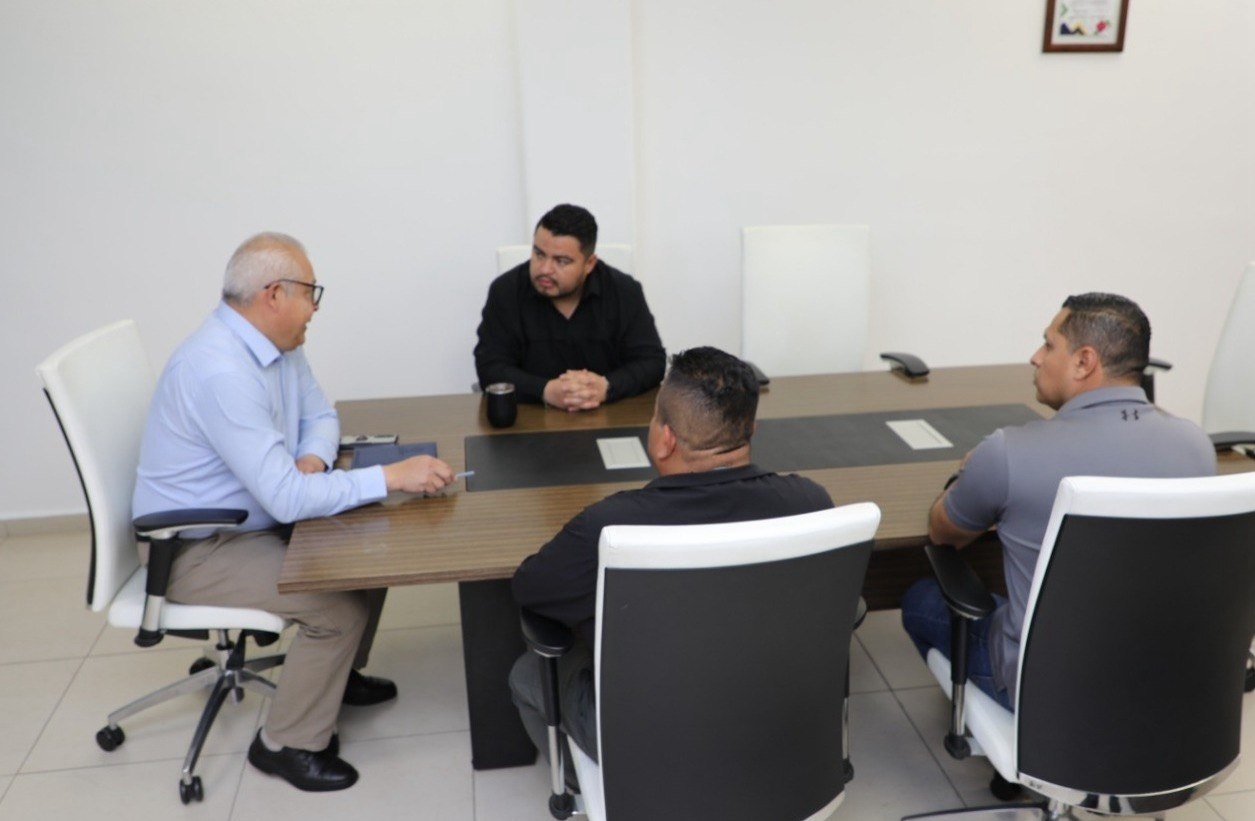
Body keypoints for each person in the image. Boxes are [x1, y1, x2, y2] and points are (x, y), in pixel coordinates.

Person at [133, 232, 455, 792]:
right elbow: (284, 498)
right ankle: (285, 744)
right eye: (311, 292)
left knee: (369, 544)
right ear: (274, 294)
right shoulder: (219, 370)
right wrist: (390, 477)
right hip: (194, 547)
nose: (316, 307)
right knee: (337, 608)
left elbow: (321, 416)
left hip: (252, 519)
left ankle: (333, 677)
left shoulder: (278, 345)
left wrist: (310, 460)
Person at [508, 346, 834, 761]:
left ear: (665, 440)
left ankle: (594, 786)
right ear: (750, 429)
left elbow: (531, 590)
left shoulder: (610, 528)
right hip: (773, 718)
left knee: (527, 673)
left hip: (652, 740)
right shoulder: (810, 504)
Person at [900, 293, 1215, 709]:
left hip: (1051, 693)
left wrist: (966, 474)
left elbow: (944, 534)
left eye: (1048, 345)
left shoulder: (1008, 453)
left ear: (1084, 362)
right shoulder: (1196, 447)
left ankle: (996, 722)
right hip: (1164, 678)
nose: (1035, 357)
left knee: (921, 599)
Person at [473, 203, 665, 411]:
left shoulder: (624, 291)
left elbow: (652, 362)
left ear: (589, 264)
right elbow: (489, 368)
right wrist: (544, 390)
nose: (545, 269)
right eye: (539, 254)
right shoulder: (506, 291)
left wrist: (605, 387)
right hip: (530, 416)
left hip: (608, 414)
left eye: (561, 261)